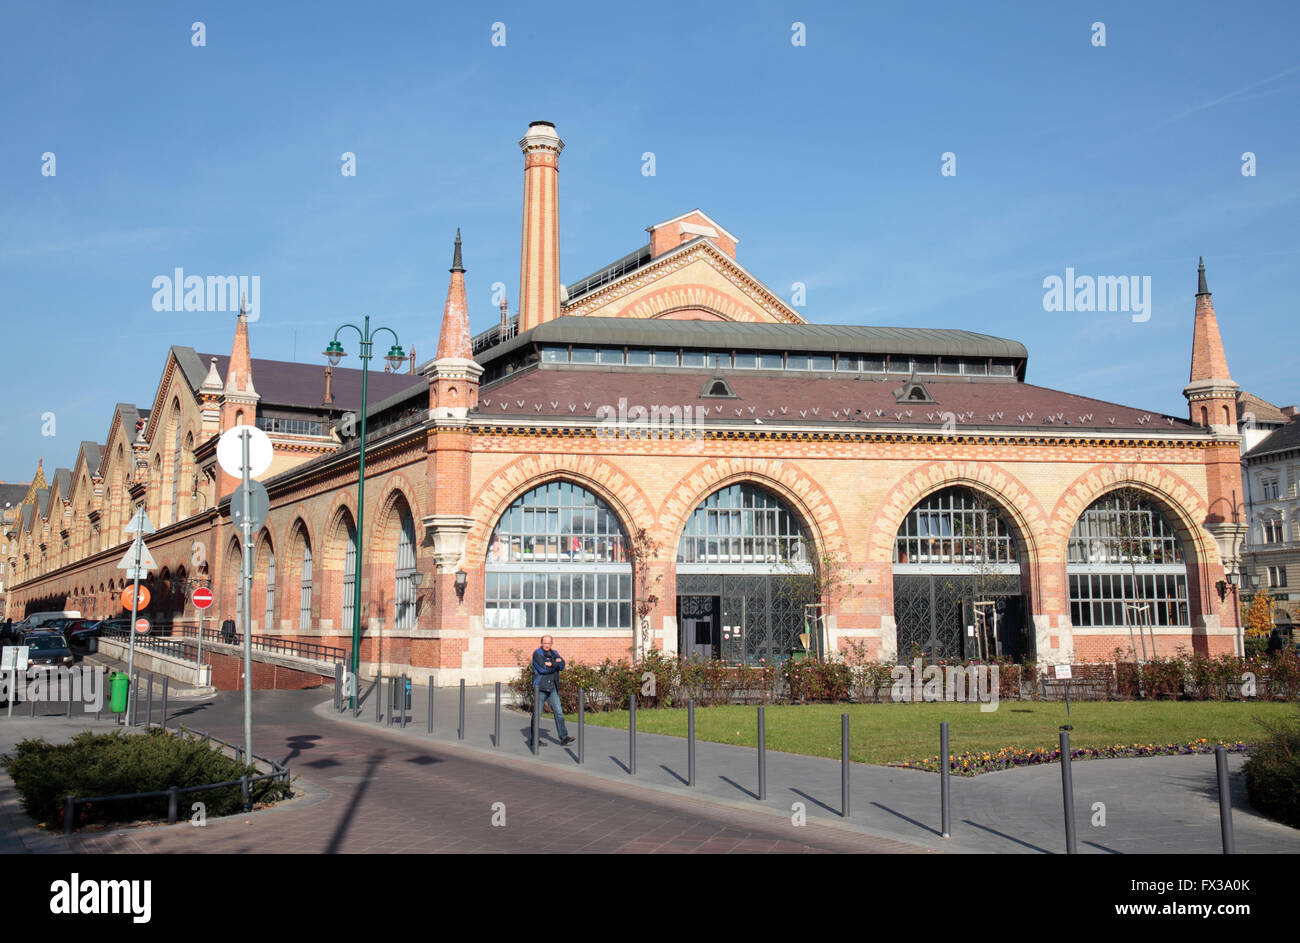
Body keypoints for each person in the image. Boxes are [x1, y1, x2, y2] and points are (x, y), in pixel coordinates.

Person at [530, 635, 574, 746]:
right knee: (537, 715)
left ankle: (564, 737)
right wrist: (556, 665)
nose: (547, 645)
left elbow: (563, 665)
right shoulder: (537, 654)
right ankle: (534, 740)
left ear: (551, 643)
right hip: (540, 688)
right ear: (541, 643)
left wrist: (552, 664)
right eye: (545, 643)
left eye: (549, 643)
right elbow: (543, 669)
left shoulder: (554, 653)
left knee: (559, 712)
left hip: (552, 688)